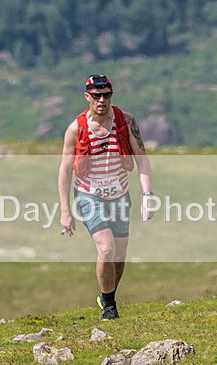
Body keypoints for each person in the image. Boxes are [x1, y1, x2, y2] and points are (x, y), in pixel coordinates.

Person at [58, 74, 155, 320]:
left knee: (119, 256)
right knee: (106, 246)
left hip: (120, 195)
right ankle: (110, 308)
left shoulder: (126, 122)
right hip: (89, 195)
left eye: (107, 95)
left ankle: (105, 296)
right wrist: (65, 211)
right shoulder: (76, 129)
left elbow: (142, 160)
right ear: (87, 97)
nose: (102, 100)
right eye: (96, 96)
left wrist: (147, 194)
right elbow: (65, 169)